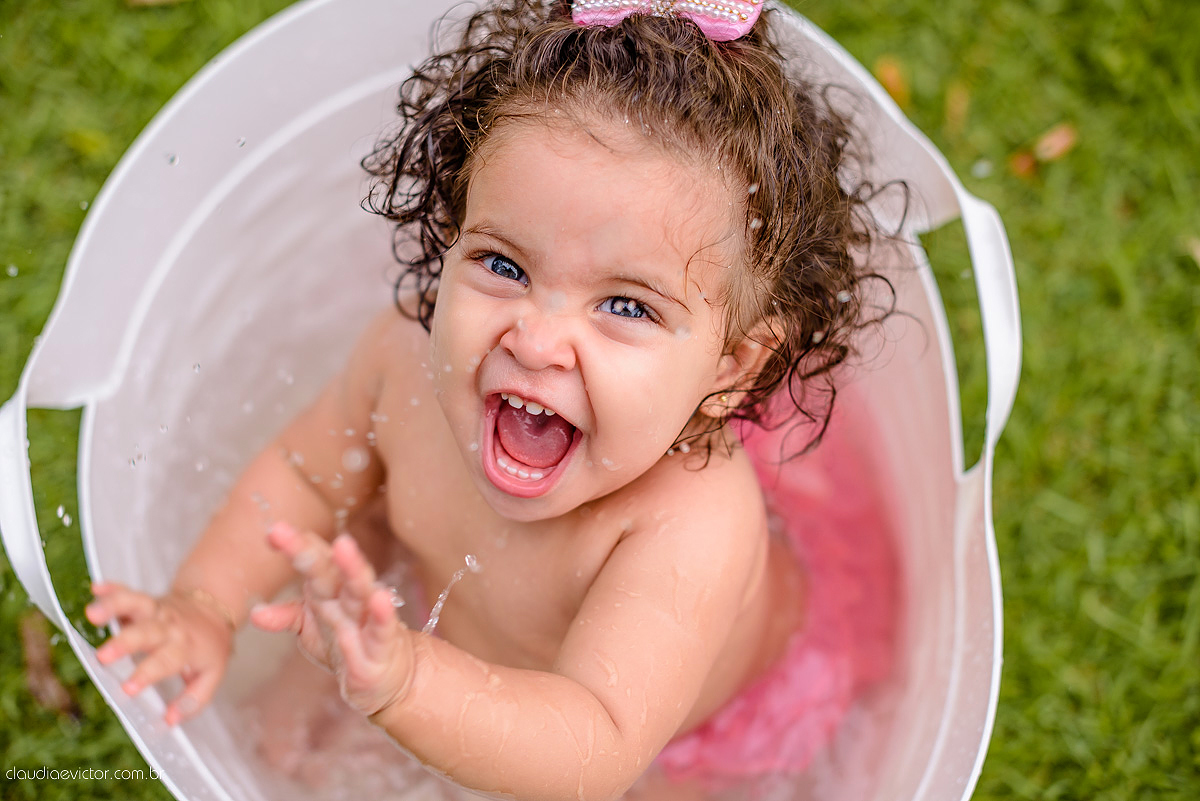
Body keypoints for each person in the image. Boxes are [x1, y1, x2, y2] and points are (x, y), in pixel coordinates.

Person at [86, 0, 895, 797]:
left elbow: (595, 742)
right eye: (504, 265)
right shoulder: (402, 360)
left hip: (684, 730)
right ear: (452, 233)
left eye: (626, 306)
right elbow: (303, 473)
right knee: (360, 515)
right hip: (462, 634)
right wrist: (204, 603)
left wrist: (405, 680)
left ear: (732, 366)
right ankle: (345, 649)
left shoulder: (690, 522)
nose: (537, 341)